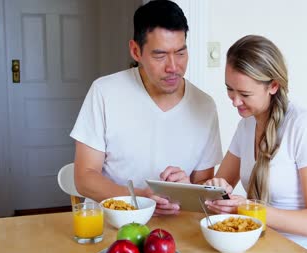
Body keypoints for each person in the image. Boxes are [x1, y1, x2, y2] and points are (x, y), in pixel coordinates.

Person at [204, 35, 307, 253]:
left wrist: (247, 208)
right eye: (230, 90)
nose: (235, 101)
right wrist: (215, 190)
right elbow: (219, 185)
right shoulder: (245, 127)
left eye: (245, 94)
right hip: (273, 250)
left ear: (273, 85)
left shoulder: (304, 128)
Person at [70, 0, 222, 215]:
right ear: (135, 51)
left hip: (174, 229)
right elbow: (84, 178)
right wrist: (139, 199)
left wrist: (187, 188)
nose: (173, 67)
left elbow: (203, 188)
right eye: (160, 55)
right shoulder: (105, 92)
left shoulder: (204, 106)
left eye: (180, 53)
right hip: (111, 226)